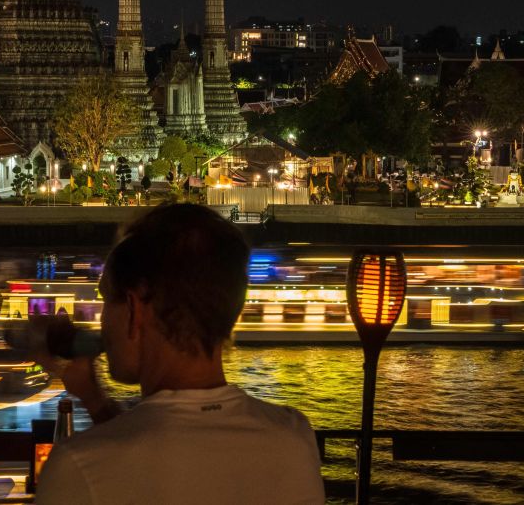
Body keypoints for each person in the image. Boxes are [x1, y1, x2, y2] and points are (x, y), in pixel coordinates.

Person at [34, 203, 325, 504]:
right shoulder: (295, 439)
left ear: (135, 310)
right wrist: (93, 397)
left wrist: (93, 401)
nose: (102, 321)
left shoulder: (76, 466)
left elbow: (132, 460)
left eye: (106, 299)